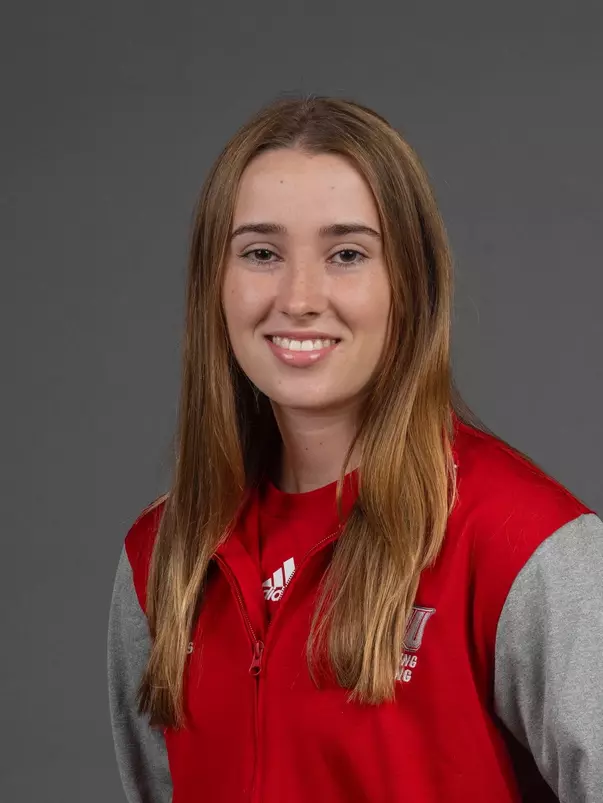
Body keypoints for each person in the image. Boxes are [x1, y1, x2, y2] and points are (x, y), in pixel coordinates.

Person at [107, 94, 603, 803]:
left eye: (346, 253)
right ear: (212, 286)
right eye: (260, 253)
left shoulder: (523, 546)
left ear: (410, 283)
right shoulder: (163, 559)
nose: (300, 296)